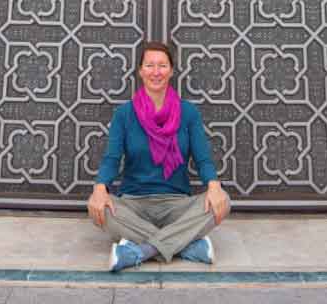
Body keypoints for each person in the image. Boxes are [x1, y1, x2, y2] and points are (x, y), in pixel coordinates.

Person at [87, 40, 231, 272]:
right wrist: (99, 188)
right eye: (150, 65)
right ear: (140, 70)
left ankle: (141, 252)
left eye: (162, 66)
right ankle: (185, 247)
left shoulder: (188, 112)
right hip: (133, 202)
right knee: (99, 209)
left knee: (222, 201)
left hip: (177, 204)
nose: (156, 72)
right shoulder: (124, 114)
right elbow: (111, 159)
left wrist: (214, 186)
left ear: (172, 71)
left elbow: (203, 159)